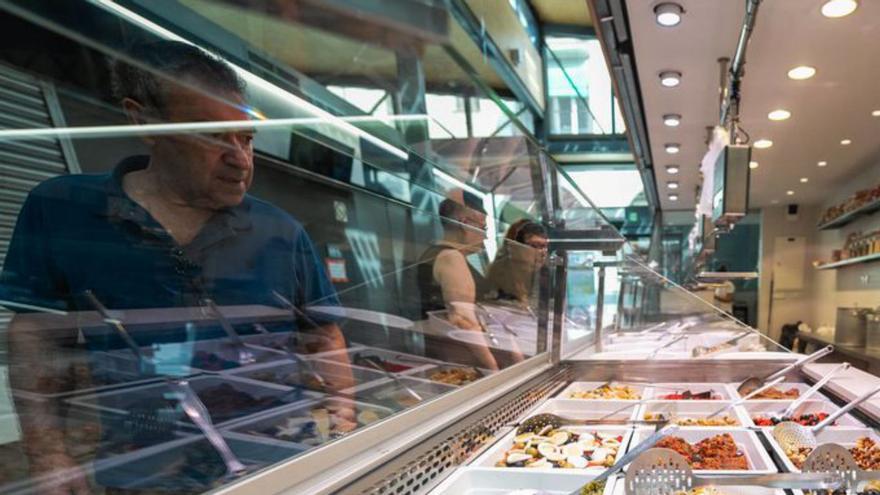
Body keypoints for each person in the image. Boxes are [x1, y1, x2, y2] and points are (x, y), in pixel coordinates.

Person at [0, 40, 355, 494]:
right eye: (212, 135)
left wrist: (344, 422)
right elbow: (36, 338)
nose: (240, 160)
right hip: (146, 471)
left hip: (281, 467)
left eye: (246, 138)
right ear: (144, 120)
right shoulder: (62, 209)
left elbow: (324, 335)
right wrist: (48, 453)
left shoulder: (281, 232)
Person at [417, 195, 501, 371]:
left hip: (446, 356)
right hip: (463, 361)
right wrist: (492, 366)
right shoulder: (451, 257)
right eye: (483, 227)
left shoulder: (434, 253)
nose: (485, 235)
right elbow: (463, 321)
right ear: (465, 224)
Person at [487, 220, 548, 309]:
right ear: (515, 248)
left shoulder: (546, 276)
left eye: (544, 247)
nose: (542, 253)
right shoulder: (498, 276)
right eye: (534, 246)